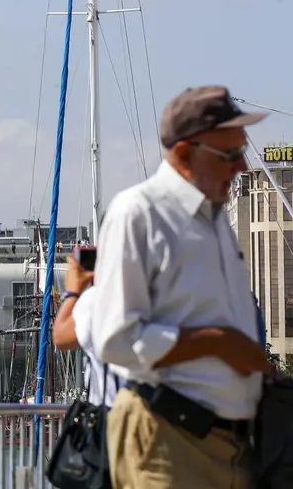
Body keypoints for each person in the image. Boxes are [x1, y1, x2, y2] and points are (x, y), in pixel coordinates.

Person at [90, 85, 274, 488]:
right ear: (185, 154)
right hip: (168, 437)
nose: (242, 167)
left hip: (232, 444)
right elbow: (115, 339)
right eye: (230, 155)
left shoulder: (215, 219)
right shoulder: (139, 214)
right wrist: (216, 342)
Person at [52, 252, 126, 407]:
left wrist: (73, 292)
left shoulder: (96, 300)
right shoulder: (157, 296)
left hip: (110, 410)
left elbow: (60, 337)